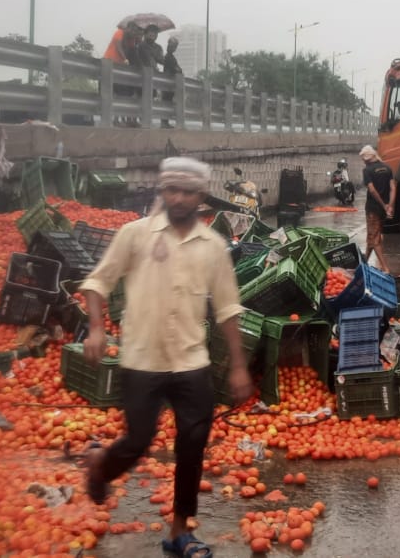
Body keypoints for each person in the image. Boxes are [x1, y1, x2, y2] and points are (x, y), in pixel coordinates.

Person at [78, 157, 252, 558]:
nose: (178, 198)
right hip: (142, 359)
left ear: (201, 197)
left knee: (192, 446)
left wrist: (240, 365)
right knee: (138, 441)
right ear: (163, 191)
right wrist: (96, 326)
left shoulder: (213, 247)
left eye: (188, 192)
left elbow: (228, 308)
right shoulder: (134, 235)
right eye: (172, 190)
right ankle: (103, 463)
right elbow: (97, 282)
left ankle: (178, 532)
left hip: (191, 362)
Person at [359, 145, 394, 272]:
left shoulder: (367, 170)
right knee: (373, 235)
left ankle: (385, 268)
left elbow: (372, 190)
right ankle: (363, 264)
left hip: (373, 208)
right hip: (383, 209)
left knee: (375, 239)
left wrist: (382, 204)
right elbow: (393, 188)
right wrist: (389, 205)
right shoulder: (387, 167)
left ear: (366, 158)